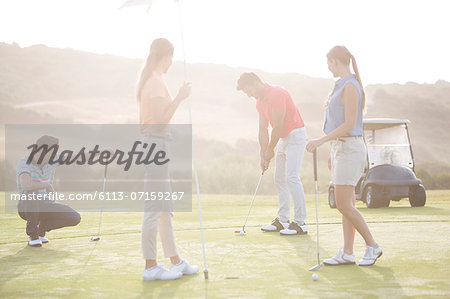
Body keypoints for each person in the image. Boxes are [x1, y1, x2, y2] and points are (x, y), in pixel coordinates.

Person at [306, 46, 382, 266]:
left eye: (329, 63)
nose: (328, 67)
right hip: (342, 149)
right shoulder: (340, 85)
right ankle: (348, 252)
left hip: (350, 148)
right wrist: (333, 149)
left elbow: (349, 124)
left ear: (336, 61)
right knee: (347, 204)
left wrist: (322, 141)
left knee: (343, 204)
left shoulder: (350, 86)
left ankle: (373, 246)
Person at [137, 38, 198, 281]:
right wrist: (181, 97)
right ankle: (150, 267)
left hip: (158, 143)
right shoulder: (154, 82)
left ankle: (175, 261)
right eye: (170, 57)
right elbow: (161, 119)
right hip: (154, 144)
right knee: (154, 208)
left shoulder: (155, 80)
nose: (172, 62)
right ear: (164, 57)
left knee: (165, 208)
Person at [237, 72, 308, 235]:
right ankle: (283, 221)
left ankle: (300, 223)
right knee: (279, 179)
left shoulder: (277, 93)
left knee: (292, 177)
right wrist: (263, 153)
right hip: (284, 137)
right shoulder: (259, 102)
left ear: (255, 83)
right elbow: (263, 128)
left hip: (296, 135)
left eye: (248, 91)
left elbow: (277, 126)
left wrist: (270, 150)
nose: (249, 95)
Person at [16, 135, 81, 247]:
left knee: (74, 217)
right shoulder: (24, 162)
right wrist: (46, 185)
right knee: (33, 194)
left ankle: (41, 229)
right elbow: (26, 185)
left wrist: (102, 154)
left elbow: (78, 157)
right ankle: (33, 235)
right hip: (26, 207)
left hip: (45, 204)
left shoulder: (52, 160)